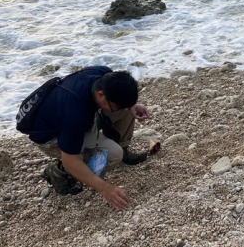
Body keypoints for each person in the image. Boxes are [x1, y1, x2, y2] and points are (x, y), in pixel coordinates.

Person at [21, 66, 151, 209]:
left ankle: (123, 147)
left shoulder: (102, 74)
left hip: (76, 115)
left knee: (125, 110)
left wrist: (131, 106)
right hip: (51, 137)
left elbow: (119, 102)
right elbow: (70, 159)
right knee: (113, 155)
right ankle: (59, 171)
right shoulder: (74, 114)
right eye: (117, 105)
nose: (120, 108)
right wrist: (105, 188)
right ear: (101, 94)